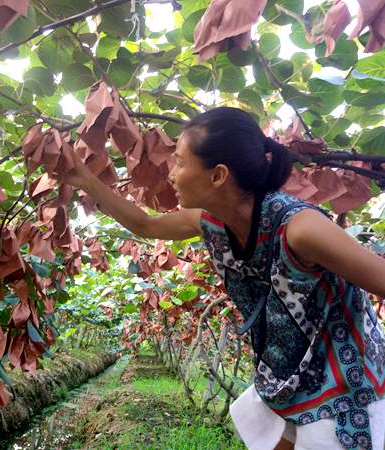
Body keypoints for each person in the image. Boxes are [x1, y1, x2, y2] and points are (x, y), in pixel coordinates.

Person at [64, 107, 385, 450]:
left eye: (180, 162)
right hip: (288, 379)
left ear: (218, 175)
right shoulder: (210, 220)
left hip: (345, 387)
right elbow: (146, 224)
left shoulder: (300, 228)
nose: (171, 175)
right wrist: (84, 178)